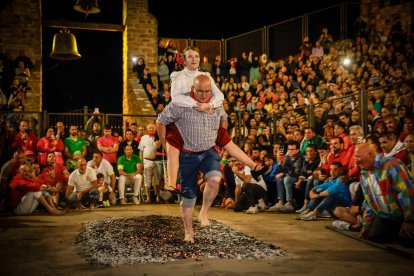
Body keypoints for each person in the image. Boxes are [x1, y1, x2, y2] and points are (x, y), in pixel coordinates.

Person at [165, 46, 265, 191]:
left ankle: (254, 166)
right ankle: (171, 184)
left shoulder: (206, 75)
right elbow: (176, 98)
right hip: (184, 118)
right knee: (173, 145)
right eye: (190, 56)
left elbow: (219, 96)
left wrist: (209, 105)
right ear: (184, 60)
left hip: (205, 117)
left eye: (196, 56)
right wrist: (198, 105)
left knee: (226, 140)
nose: (194, 59)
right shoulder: (178, 76)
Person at [156, 75, 226, 243]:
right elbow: (161, 121)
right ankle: (189, 232)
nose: (203, 95)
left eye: (207, 91)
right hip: (187, 154)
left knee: (216, 178)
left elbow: (223, 119)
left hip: (208, 150)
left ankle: (203, 212)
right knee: (189, 197)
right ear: (193, 89)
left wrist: (221, 140)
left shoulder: (216, 102)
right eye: (200, 91)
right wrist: (166, 145)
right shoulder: (180, 103)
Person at [354, 143, 414, 246]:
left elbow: (407, 192)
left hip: (403, 214)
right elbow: (369, 202)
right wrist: (367, 224)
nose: (356, 161)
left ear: (370, 154)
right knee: (373, 236)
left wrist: (409, 220)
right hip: (386, 215)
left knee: (406, 241)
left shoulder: (391, 165)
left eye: (358, 156)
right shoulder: (364, 174)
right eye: (355, 157)